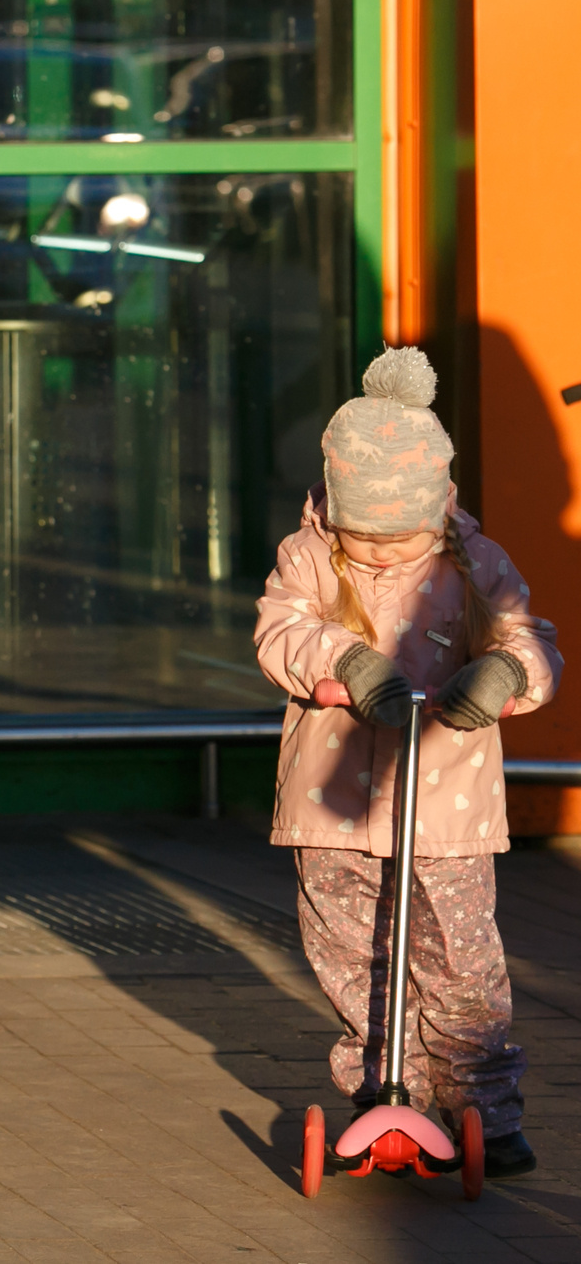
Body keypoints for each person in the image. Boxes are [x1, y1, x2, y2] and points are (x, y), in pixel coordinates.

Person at [254, 345, 560, 1179]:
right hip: (333, 808)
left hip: (447, 809)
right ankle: (387, 1090)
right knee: (351, 954)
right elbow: (280, 630)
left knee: (460, 963)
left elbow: (531, 640)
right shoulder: (308, 556)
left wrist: (504, 674)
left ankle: (482, 1106)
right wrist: (346, 660)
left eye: (402, 537)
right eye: (365, 535)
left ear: (439, 505)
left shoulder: (475, 564)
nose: (384, 552)